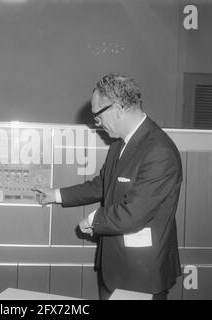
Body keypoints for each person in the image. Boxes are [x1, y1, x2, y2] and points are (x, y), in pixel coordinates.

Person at [33, 74, 182, 300]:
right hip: (116, 268)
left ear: (118, 109)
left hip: (141, 275)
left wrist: (94, 220)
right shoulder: (119, 145)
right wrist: (56, 194)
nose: (97, 122)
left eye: (98, 115)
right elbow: (104, 184)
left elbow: (135, 214)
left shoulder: (159, 151)